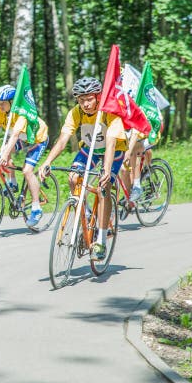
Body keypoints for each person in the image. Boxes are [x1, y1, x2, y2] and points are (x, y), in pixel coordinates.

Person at [38, 76, 128, 261]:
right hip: (90, 149)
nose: (85, 104)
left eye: (89, 99)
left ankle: (101, 240)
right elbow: (62, 140)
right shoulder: (75, 113)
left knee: (104, 188)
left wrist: (106, 170)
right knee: (73, 177)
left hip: (114, 151)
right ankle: (85, 213)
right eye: (81, 99)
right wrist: (47, 161)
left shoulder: (109, 111)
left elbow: (111, 144)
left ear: (97, 97)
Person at [0, 84, 50, 227]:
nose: (0, 107)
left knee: (27, 170)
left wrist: (4, 155)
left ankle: (36, 208)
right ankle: (13, 182)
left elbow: (14, 137)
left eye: (3, 104)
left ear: (12, 102)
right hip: (22, 138)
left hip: (37, 139)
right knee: (4, 150)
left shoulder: (22, 112)